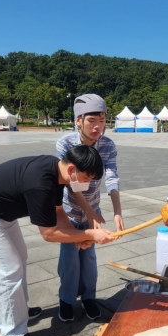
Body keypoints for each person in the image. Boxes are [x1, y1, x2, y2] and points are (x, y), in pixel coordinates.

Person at [0, 145, 114, 336]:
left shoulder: (56, 172)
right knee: (8, 271)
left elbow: (58, 212)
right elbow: (49, 234)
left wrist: (79, 238)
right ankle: (12, 333)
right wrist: (90, 235)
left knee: (20, 259)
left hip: (2, 215)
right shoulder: (41, 184)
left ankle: (19, 311)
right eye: (86, 178)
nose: (86, 184)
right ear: (71, 169)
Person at [56, 94, 124, 322]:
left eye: (102, 120)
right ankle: (66, 300)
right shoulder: (65, 143)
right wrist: (88, 212)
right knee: (69, 259)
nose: (97, 127)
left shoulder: (107, 145)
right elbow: (71, 181)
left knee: (89, 258)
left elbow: (112, 177)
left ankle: (88, 298)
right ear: (78, 120)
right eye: (91, 120)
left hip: (93, 208)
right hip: (69, 212)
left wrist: (117, 211)